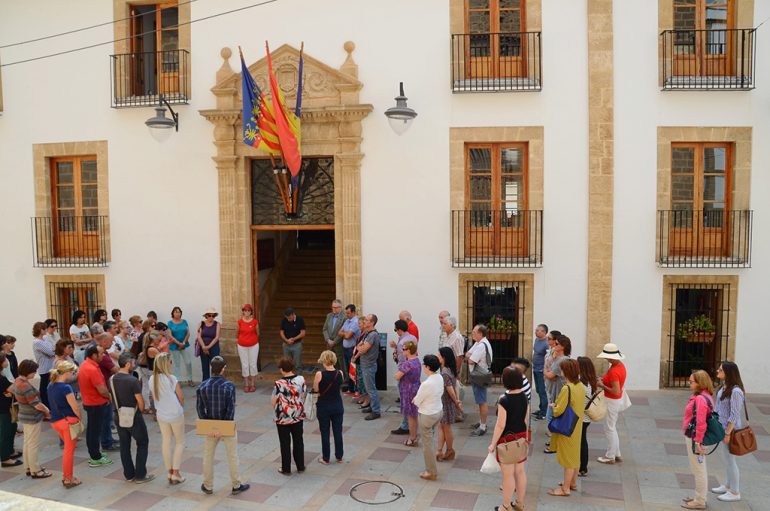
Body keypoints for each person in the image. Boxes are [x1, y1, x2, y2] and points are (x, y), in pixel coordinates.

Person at [197, 356, 249, 495]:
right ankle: (236, 485)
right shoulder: (229, 386)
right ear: (223, 369)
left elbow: (200, 410)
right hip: (226, 426)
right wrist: (222, 427)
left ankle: (207, 485)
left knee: (208, 456)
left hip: (209, 426)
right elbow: (231, 409)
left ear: (211, 368)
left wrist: (210, 426)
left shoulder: (202, 386)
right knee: (232, 456)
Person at [488, 367, 529, 511]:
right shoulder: (524, 396)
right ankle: (520, 503)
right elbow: (526, 420)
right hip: (521, 438)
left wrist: (492, 444)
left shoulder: (504, 400)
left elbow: (500, 425)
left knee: (508, 475)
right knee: (520, 471)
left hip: (507, 440)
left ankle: (505, 506)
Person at [110, 352, 154, 483]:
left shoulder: (112, 379)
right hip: (133, 416)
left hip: (118, 415)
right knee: (142, 443)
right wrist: (140, 412)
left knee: (124, 445)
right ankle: (140, 475)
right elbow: (140, 402)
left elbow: (110, 397)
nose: (135, 365)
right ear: (128, 364)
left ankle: (129, 475)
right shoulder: (132, 380)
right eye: (133, 363)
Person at [547, 359, 585, 498]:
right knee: (575, 456)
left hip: (567, 427)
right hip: (577, 425)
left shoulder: (566, 388)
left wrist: (553, 406)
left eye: (562, 369)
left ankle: (565, 488)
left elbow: (558, 411)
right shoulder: (581, 386)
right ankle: (572, 483)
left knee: (568, 459)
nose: (560, 371)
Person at [10, 359, 51, 478]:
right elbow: (36, 404)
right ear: (28, 371)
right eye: (34, 371)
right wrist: (47, 410)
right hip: (32, 417)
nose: (35, 374)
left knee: (27, 443)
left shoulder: (18, 380)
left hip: (24, 415)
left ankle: (28, 467)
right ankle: (35, 470)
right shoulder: (25, 385)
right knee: (33, 444)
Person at [681, 370, 715, 510]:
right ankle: (698, 496)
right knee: (698, 468)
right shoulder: (703, 396)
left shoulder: (701, 399)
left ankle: (700, 500)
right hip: (695, 436)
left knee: (699, 469)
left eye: (691, 382)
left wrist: (698, 442)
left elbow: (701, 422)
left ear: (700, 382)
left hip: (695, 437)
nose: (689, 384)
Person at [149, 353, 186, 485]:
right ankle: (176, 473)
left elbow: (154, 398)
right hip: (175, 413)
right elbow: (181, 397)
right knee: (179, 442)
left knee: (166, 441)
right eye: (170, 361)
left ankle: (169, 472)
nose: (171, 363)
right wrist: (181, 407)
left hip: (161, 414)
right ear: (166, 363)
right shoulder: (171, 378)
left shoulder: (152, 379)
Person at [711, 361, 745, 503]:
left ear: (728, 372)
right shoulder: (724, 387)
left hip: (730, 429)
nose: (717, 372)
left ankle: (735, 491)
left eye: (720, 370)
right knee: (727, 459)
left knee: (731, 460)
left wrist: (727, 433)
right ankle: (727, 485)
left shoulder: (736, 391)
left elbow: (734, 414)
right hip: (722, 426)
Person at [47, 360, 82, 488]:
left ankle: (67, 476)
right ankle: (68, 478)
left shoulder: (50, 385)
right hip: (68, 422)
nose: (73, 375)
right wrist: (80, 418)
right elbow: (75, 407)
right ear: (67, 372)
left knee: (67, 450)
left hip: (56, 422)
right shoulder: (66, 387)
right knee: (69, 451)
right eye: (73, 372)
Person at [78, 344, 113, 467]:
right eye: (101, 354)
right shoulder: (91, 369)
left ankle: (95, 453)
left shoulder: (85, 364)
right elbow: (102, 390)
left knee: (93, 430)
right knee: (94, 431)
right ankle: (95, 457)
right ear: (94, 355)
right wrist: (110, 397)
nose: (103, 356)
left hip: (90, 402)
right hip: (96, 403)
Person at [272, 357, 306, 475]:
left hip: (283, 417)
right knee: (298, 441)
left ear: (281, 369)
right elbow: (303, 394)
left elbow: (273, 401)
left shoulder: (278, 384)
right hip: (297, 415)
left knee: (285, 443)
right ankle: (300, 466)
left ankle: (286, 468)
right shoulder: (301, 379)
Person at [413, 354, 444, 481]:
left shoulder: (426, 384)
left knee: (427, 445)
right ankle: (431, 469)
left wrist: (415, 399)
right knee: (430, 440)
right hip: (438, 411)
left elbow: (417, 401)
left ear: (427, 367)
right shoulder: (439, 377)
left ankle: (431, 471)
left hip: (427, 415)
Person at [596, 342, 627, 464]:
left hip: (612, 400)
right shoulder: (620, 366)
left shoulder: (614, 371)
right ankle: (617, 453)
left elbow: (615, 390)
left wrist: (602, 385)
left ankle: (610, 456)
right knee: (612, 427)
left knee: (610, 428)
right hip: (616, 400)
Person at [313, 350, 344, 464]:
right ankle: (339, 456)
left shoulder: (319, 374)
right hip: (337, 405)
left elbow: (316, 390)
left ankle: (326, 458)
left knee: (325, 432)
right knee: (338, 431)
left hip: (324, 406)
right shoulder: (340, 373)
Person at [544, 334, 571, 453]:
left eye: (556, 344)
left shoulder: (561, 360)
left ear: (563, 346)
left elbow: (550, 374)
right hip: (556, 391)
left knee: (552, 417)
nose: (554, 345)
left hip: (558, 393)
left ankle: (554, 443)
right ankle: (555, 441)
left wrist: (545, 371)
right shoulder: (558, 358)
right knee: (553, 417)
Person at [390, 319, 417, 435]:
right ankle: (411, 424)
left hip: (405, 372)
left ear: (400, 329)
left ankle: (406, 425)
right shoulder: (412, 338)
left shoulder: (402, 343)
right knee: (412, 399)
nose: (396, 332)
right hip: (413, 371)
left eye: (396, 330)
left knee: (405, 400)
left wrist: (399, 374)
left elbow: (402, 360)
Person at [352, 314, 381, 420]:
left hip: (369, 365)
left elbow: (363, 349)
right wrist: (356, 355)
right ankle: (372, 407)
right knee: (369, 389)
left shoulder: (373, 335)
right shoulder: (367, 334)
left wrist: (360, 348)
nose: (364, 321)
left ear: (372, 322)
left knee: (371, 389)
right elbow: (359, 346)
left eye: (367, 320)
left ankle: (376, 411)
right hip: (365, 364)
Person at [466, 324, 493, 436]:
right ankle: (481, 421)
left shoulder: (481, 345)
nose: (472, 334)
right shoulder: (479, 343)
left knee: (482, 401)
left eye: (474, 332)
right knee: (479, 400)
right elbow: (468, 354)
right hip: (477, 375)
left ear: (480, 334)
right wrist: (469, 356)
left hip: (479, 376)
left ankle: (483, 426)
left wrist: (469, 357)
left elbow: (471, 360)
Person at [436, 347, 461, 462]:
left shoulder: (445, 372)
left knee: (446, 428)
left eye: (439, 355)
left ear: (444, 357)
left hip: (446, 403)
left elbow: (450, 389)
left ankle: (449, 449)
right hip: (445, 402)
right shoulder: (450, 370)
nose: (438, 357)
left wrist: (456, 402)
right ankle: (439, 450)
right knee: (442, 427)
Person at [95, 333, 119, 451]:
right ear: (103, 342)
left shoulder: (103, 353)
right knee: (106, 417)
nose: (112, 344)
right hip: (104, 388)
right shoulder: (103, 356)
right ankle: (106, 442)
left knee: (107, 417)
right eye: (110, 341)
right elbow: (115, 369)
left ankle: (108, 438)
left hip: (105, 386)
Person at [394, 341, 421, 445]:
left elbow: (397, 376)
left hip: (408, 390)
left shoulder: (407, 364)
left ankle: (412, 437)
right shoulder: (417, 361)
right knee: (414, 414)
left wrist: (397, 374)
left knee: (410, 416)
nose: (402, 351)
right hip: (416, 388)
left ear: (409, 350)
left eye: (404, 349)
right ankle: (414, 435)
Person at [577, 356, 598, 477]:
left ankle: (582, 467)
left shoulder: (581, 383)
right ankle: (583, 466)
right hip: (587, 416)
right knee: (583, 440)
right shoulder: (592, 381)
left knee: (581, 441)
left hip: (581, 416)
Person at [0, 353, 21, 468]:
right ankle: (5, 458)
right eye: (5, 360)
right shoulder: (2, 379)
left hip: (6, 406)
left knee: (12, 428)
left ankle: (10, 451)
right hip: (3, 408)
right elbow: (13, 389)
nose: (7, 361)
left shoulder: (2, 376)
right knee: (5, 432)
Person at [168, 306, 194, 388]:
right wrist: (178, 343)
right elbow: (170, 335)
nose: (177, 313)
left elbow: (188, 333)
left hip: (184, 345)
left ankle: (190, 379)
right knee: (177, 364)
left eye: (179, 312)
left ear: (181, 313)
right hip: (174, 346)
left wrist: (183, 343)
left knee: (188, 362)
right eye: (175, 312)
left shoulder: (184, 321)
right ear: (173, 313)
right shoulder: (170, 323)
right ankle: (177, 381)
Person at [32, 321, 55, 409]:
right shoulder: (37, 342)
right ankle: (46, 407)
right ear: (40, 330)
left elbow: (53, 348)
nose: (46, 330)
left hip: (50, 366)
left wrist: (53, 350)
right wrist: (53, 350)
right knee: (44, 389)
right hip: (44, 368)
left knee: (48, 388)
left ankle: (49, 406)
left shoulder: (44, 339)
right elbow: (50, 352)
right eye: (44, 328)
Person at [237, 304, 259, 393]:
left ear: (251, 312)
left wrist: (252, 340)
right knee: (244, 364)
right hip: (242, 346)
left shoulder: (255, 322)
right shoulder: (239, 322)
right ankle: (246, 384)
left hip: (253, 345)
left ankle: (253, 384)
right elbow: (237, 332)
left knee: (253, 364)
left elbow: (258, 333)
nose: (246, 312)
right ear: (243, 311)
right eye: (245, 310)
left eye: (248, 310)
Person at [339, 304, 360, 394]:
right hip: (345, 349)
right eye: (346, 313)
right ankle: (350, 389)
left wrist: (345, 334)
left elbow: (347, 335)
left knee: (354, 369)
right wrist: (345, 334)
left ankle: (356, 390)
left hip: (352, 349)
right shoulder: (347, 321)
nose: (347, 315)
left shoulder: (355, 322)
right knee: (348, 369)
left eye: (348, 313)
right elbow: (339, 332)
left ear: (353, 312)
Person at [139, 331, 161, 414]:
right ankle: (152, 407)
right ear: (154, 339)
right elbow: (162, 359)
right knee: (153, 389)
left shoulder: (147, 347)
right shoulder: (152, 349)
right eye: (158, 339)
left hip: (147, 369)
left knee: (146, 387)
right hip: (151, 371)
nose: (159, 341)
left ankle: (147, 406)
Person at [197, 308, 222, 382]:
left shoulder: (217, 324)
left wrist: (208, 347)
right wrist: (204, 347)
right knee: (205, 368)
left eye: (213, 315)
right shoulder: (201, 324)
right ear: (206, 315)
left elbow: (217, 337)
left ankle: (214, 384)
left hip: (214, 347)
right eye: (209, 315)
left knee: (215, 367)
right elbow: (199, 336)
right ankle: (205, 385)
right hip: (203, 347)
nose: (211, 317)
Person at [322, 300, 346, 375]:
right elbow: (325, 329)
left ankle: (343, 381)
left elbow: (343, 331)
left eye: (336, 307)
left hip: (339, 345)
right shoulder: (329, 316)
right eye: (333, 307)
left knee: (341, 364)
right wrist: (328, 340)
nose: (334, 309)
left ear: (340, 307)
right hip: (329, 344)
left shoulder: (344, 317)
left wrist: (334, 342)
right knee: (329, 363)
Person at [531, 324, 549, 421]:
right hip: (535, 369)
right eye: (536, 330)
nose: (536, 332)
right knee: (538, 390)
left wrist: (545, 371)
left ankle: (543, 412)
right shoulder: (537, 340)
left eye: (538, 330)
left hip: (541, 371)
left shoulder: (546, 343)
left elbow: (548, 358)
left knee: (542, 391)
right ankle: (541, 408)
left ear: (544, 332)